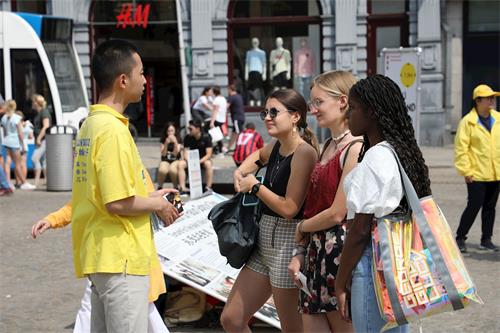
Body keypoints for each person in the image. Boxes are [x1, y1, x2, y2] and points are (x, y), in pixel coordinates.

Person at [71, 39, 180, 332]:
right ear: (123, 80)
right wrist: (158, 203)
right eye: (141, 72)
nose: (144, 80)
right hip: (121, 258)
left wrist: (149, 195)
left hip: (100, 253)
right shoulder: (112, 131)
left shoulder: (91, 125)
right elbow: (116, 202)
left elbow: (105, 192)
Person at [335, 74, 431, 333]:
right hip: (396, 262)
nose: (348, 116)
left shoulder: (376, 158)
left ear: (372, 112)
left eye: (352, 109)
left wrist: (340, 282)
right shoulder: (398, 151)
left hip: (372, 265)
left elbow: (359, 232)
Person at [220, 89, 318, 333]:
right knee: (231, 318)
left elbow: (290, 208)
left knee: (291, 328)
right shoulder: (277, 145)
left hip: (287, 241)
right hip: (263, 239)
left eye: (274, 112)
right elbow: (258, 156)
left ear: (295, 117)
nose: (267, 117)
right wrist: (240, 171)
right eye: (265, 112)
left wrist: (256, 187)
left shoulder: (304, 153)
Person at [30, 170, 171, 333]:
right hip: (109, 257)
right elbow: (81, 202)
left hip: (126, 259)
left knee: (144, 316)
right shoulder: (103, 158)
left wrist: (160, 204)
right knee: (95, 311)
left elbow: (134, 199)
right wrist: (52, 219)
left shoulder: (130, 162)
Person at [288, 71, 360, 332]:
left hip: (338, 257)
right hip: (317, 255)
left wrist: (301, 228)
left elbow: (337, 212)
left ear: (342, 101)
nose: (313, 109)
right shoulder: (328, 144)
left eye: (318, 102)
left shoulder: (356, 147)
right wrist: (300, 252)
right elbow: (316, 205)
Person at [454, 84, 500, 253]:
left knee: (490, 207)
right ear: (478, 101)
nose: (492, 101)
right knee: (474, 205)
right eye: (488, 98)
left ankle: (486, 239)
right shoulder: (468, 122)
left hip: (496, 172)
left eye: (493, 97)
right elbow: (461, 149)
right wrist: (466, 171)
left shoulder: (498, 118)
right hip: (476, 174)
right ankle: (460, 237)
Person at [1, 99, 35, 189]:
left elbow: (4, 132)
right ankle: (24, 182)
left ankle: (8, 182)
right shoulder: (16, 118)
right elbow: (20, 133)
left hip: (6, 141)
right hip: (15, 142)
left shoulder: (4, 118)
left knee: (7, 162)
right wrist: (23, 144)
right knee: (18, 163)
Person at [177, 119, 214, 193]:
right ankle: (182, 187)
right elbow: (185, 152)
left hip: (203, 159)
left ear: (198, 129)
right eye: (188, 129)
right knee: (181, 164)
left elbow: (209, 154)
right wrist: (189, 161)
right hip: (191, 160)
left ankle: (208, 187)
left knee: (208, 164)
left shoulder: (206, 137)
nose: (189, 131)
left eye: (191, 129)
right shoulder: (187, 137)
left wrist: (199, 162)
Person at [31, 94, 51, 188]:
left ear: (37, 103)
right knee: (44, 161)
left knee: (35, 158)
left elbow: (46, 126)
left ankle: (36, 182)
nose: (32, 103)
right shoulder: (40, 113)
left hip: (44, 139)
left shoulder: (44, 112)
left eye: (33, 101)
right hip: (42, 139)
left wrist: (39, 138)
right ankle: (47, 181)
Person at [157, 122, 182, 190]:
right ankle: (160, 186)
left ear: (175, 131)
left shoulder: (178, 139)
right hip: (165, 160)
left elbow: (175, 154)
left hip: (175, 160)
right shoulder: (163, 139)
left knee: (172, 170)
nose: (170, 133)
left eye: (172, 131)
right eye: (168, 131)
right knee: (162, 170)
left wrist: (175, 142)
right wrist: (166, 144)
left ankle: (175, 186)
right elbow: (163, 154)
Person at [209, 86, 228, 155]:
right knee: (218, 135)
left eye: (211, 91)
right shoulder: (223, 98)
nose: (210, 92)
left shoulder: (216, 99)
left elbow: (215, 111)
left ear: (214, 92)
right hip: (222, 119)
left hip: (217, 119)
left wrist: (212, 122)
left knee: (214, 135)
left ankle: (220, 149)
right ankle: (221, 148)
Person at [16, 111, 34, 184]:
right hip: (24, 145)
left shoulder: (15, 124)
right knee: (23, 164)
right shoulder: (28, 124)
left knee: (17, 164)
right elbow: (31, 136)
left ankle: (17, 182)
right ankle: (23, 181)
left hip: (16, 144)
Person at [227, 84, 246, 150]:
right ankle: (228, 148)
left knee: (239, 133)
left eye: (228, 90)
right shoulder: (239, 96)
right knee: (234, 133)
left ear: (230, 90)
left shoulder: (231, 97)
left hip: (236, 118)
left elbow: (226, 107)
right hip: (241, 117)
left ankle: (241, 148)